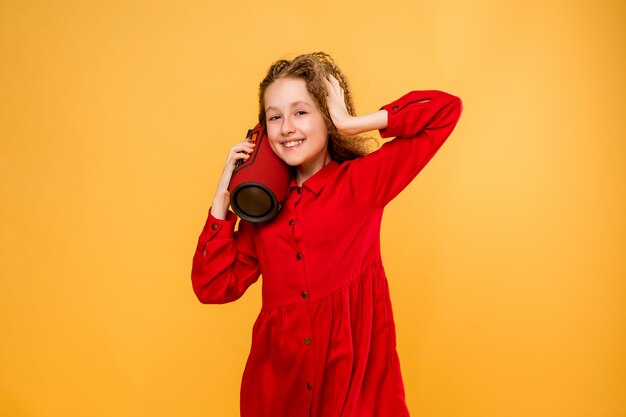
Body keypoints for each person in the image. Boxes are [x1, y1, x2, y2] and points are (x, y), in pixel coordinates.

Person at [191, 52, 463, 417]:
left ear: (327, 116)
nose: (286, 127)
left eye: (301, 112)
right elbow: (212, 286)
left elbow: (445, 110)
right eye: (275, 117)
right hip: (277, 396)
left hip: (356, 393)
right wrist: (222, 198)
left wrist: (352, 123)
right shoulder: (263, 215)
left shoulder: (362, 184)